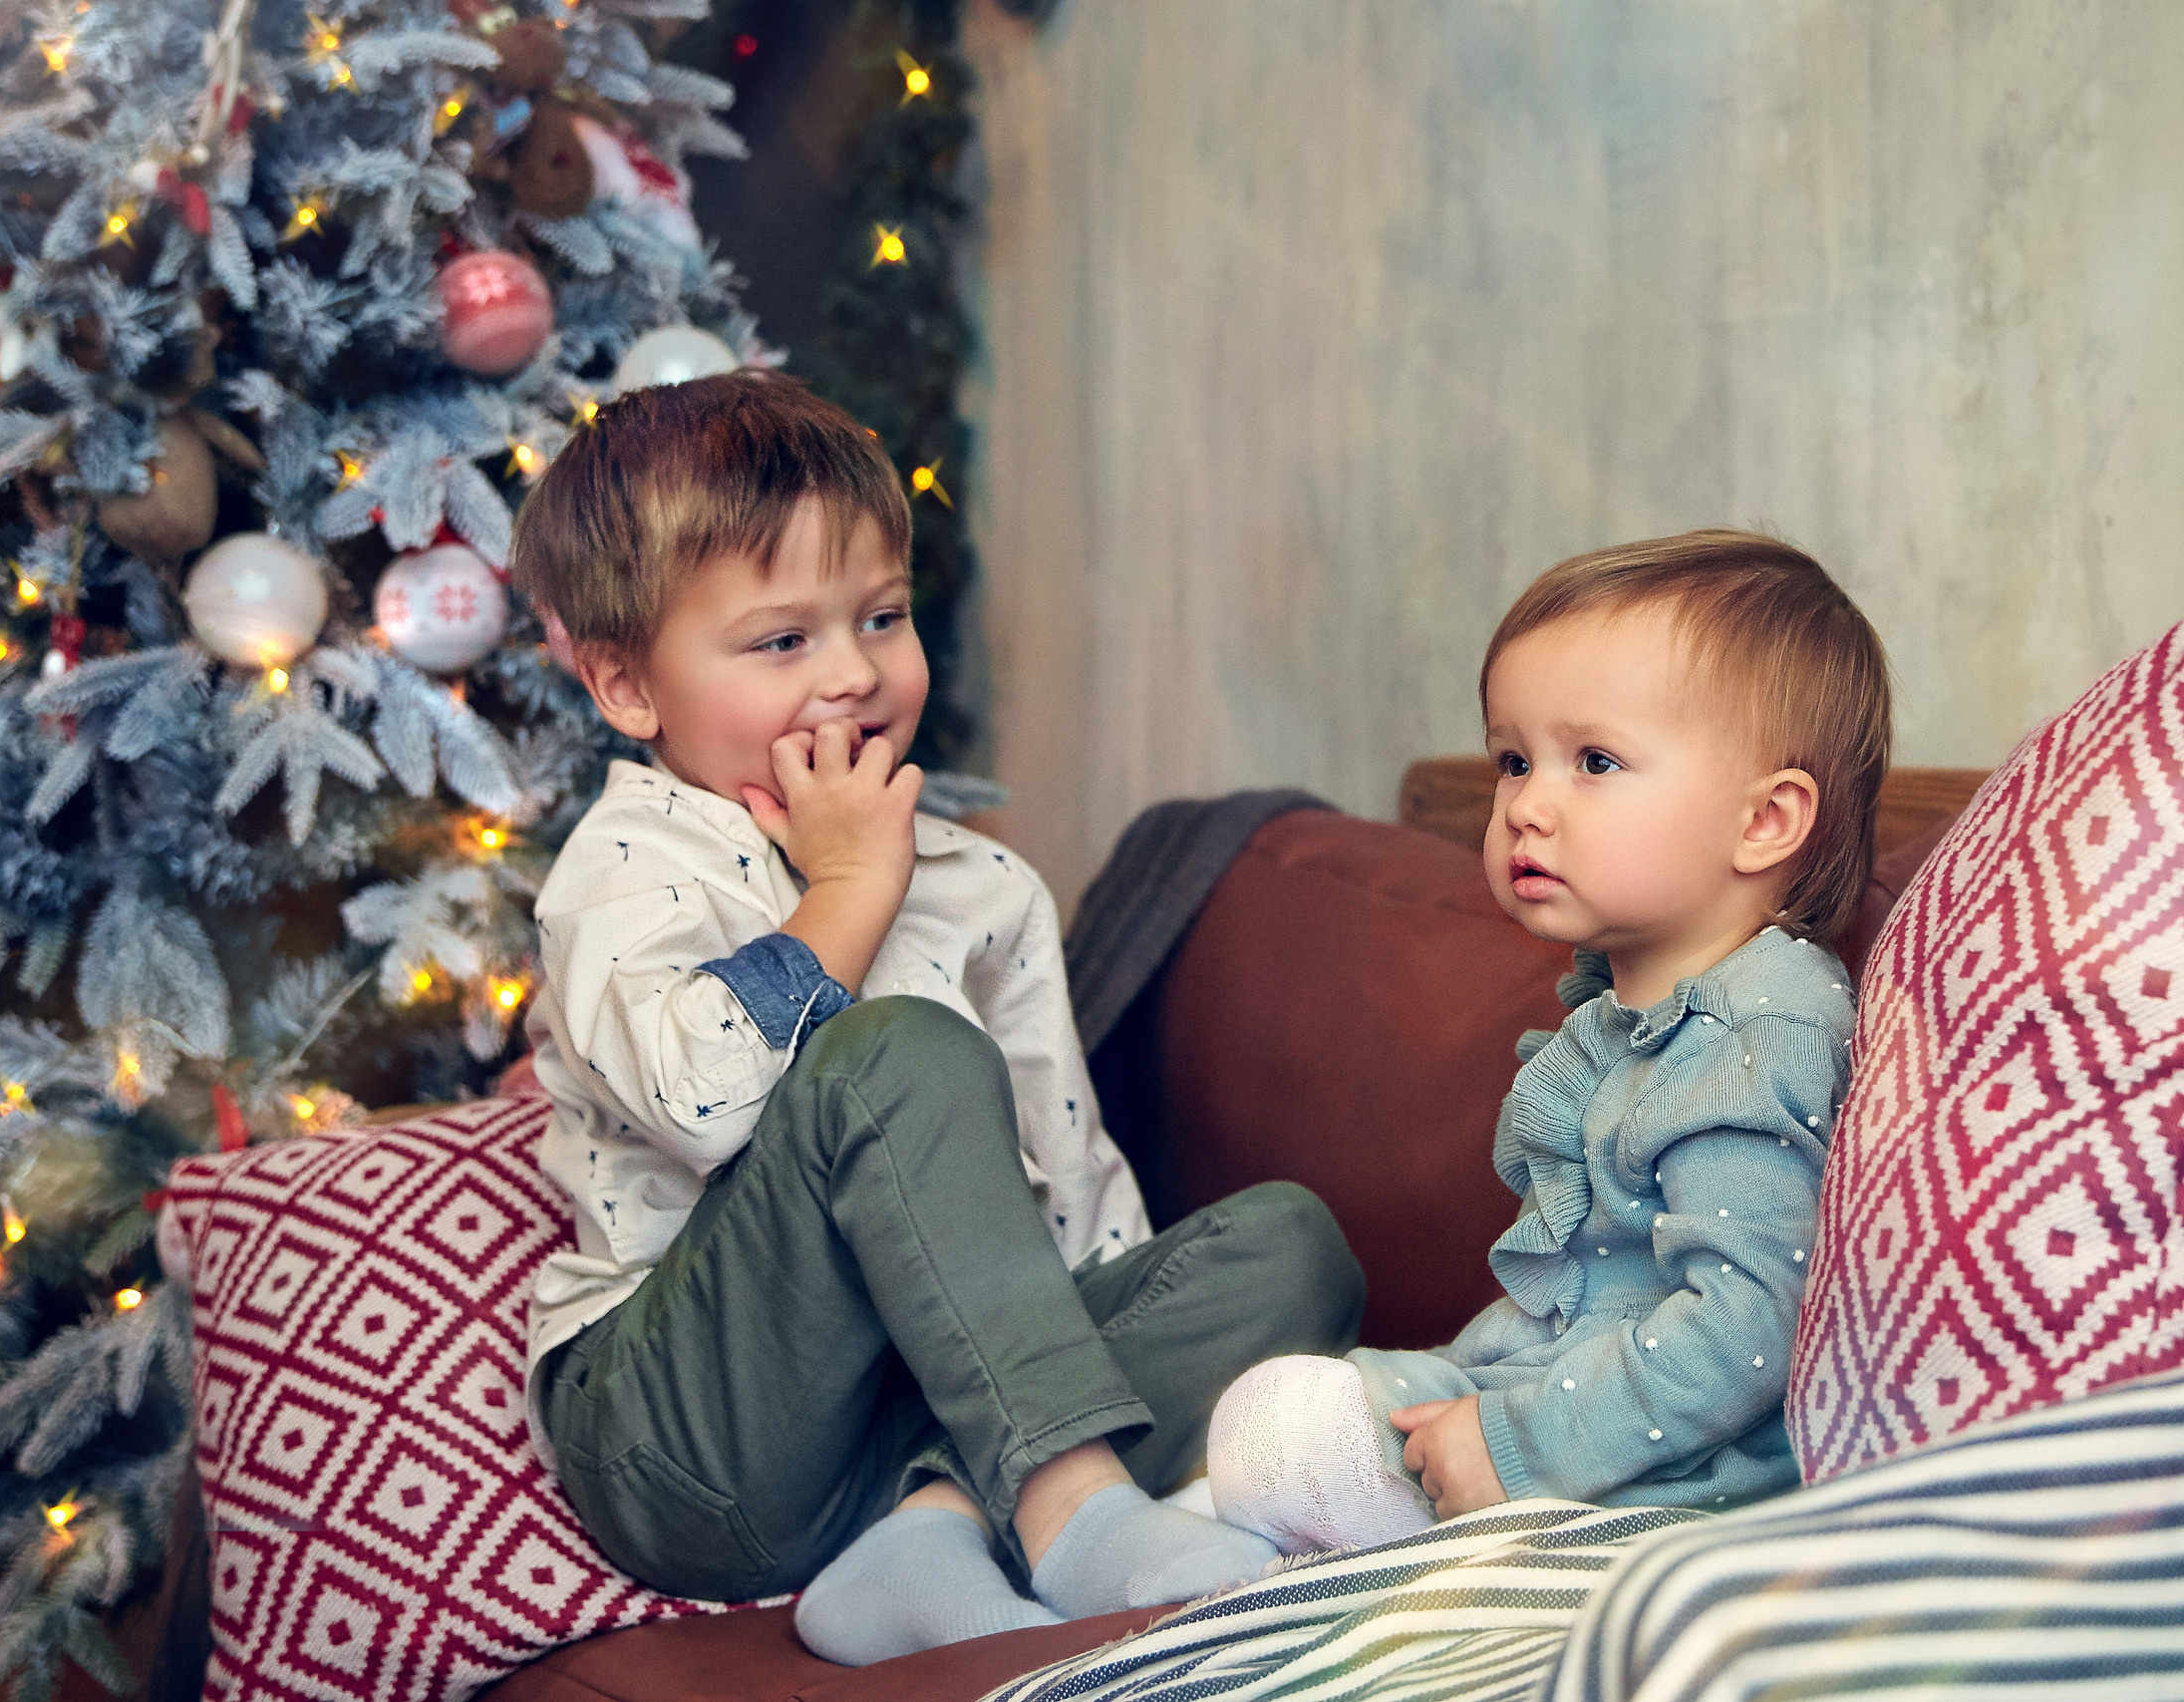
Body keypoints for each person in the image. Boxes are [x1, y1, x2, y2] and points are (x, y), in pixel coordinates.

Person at [509, 370, 1365, 1663]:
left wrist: (1099, 1346)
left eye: (884, 617)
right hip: (695, 1436)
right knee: (896, 1051)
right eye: (783, 640)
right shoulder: (626, 871)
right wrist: (850, 888)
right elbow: (696, 1104)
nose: (855, 673)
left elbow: (1064, 1177)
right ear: (628, 685)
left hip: (919, 1418)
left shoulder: (985, 885)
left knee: (1294, 1249)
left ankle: (926, 1528)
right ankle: (1072, 1509)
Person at [1207, 530, 1891, 1553]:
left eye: (1595, 762)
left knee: (1277, 1432)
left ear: (1765, 823)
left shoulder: (1758, 1035)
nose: (1526, 804)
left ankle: (1250, 1545)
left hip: (1673, 1472)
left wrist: (1515, 1443)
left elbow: (1754, 1330)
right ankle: (1185, 1545)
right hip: (1540, 1391)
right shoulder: (1625, 1008)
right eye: (1513, 760)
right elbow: (1577, 1302)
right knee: (1274, 1411)